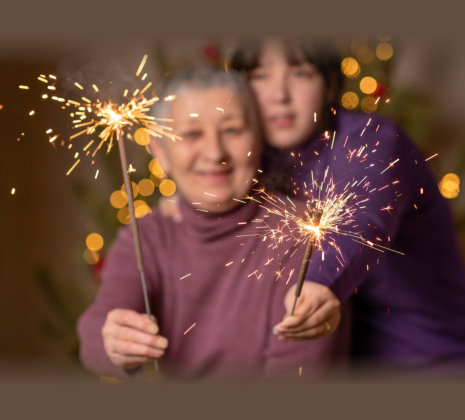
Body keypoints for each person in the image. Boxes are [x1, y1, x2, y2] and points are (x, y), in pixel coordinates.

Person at [77, 66, 350, 380]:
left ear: (259, 139)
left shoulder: (301, 233)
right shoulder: (147, 237)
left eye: (232, 130)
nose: (214, 152)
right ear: (160, 153)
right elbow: (95, 333)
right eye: (191, 134)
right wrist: (112, 341)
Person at [229, 38, 465, 374]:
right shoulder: (252, 157)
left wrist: (317, 284)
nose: (279, 95)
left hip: (429, 361)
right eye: (259, 75)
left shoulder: (374, 140)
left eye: (301, 73)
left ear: (330, 86)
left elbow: (360, 219)